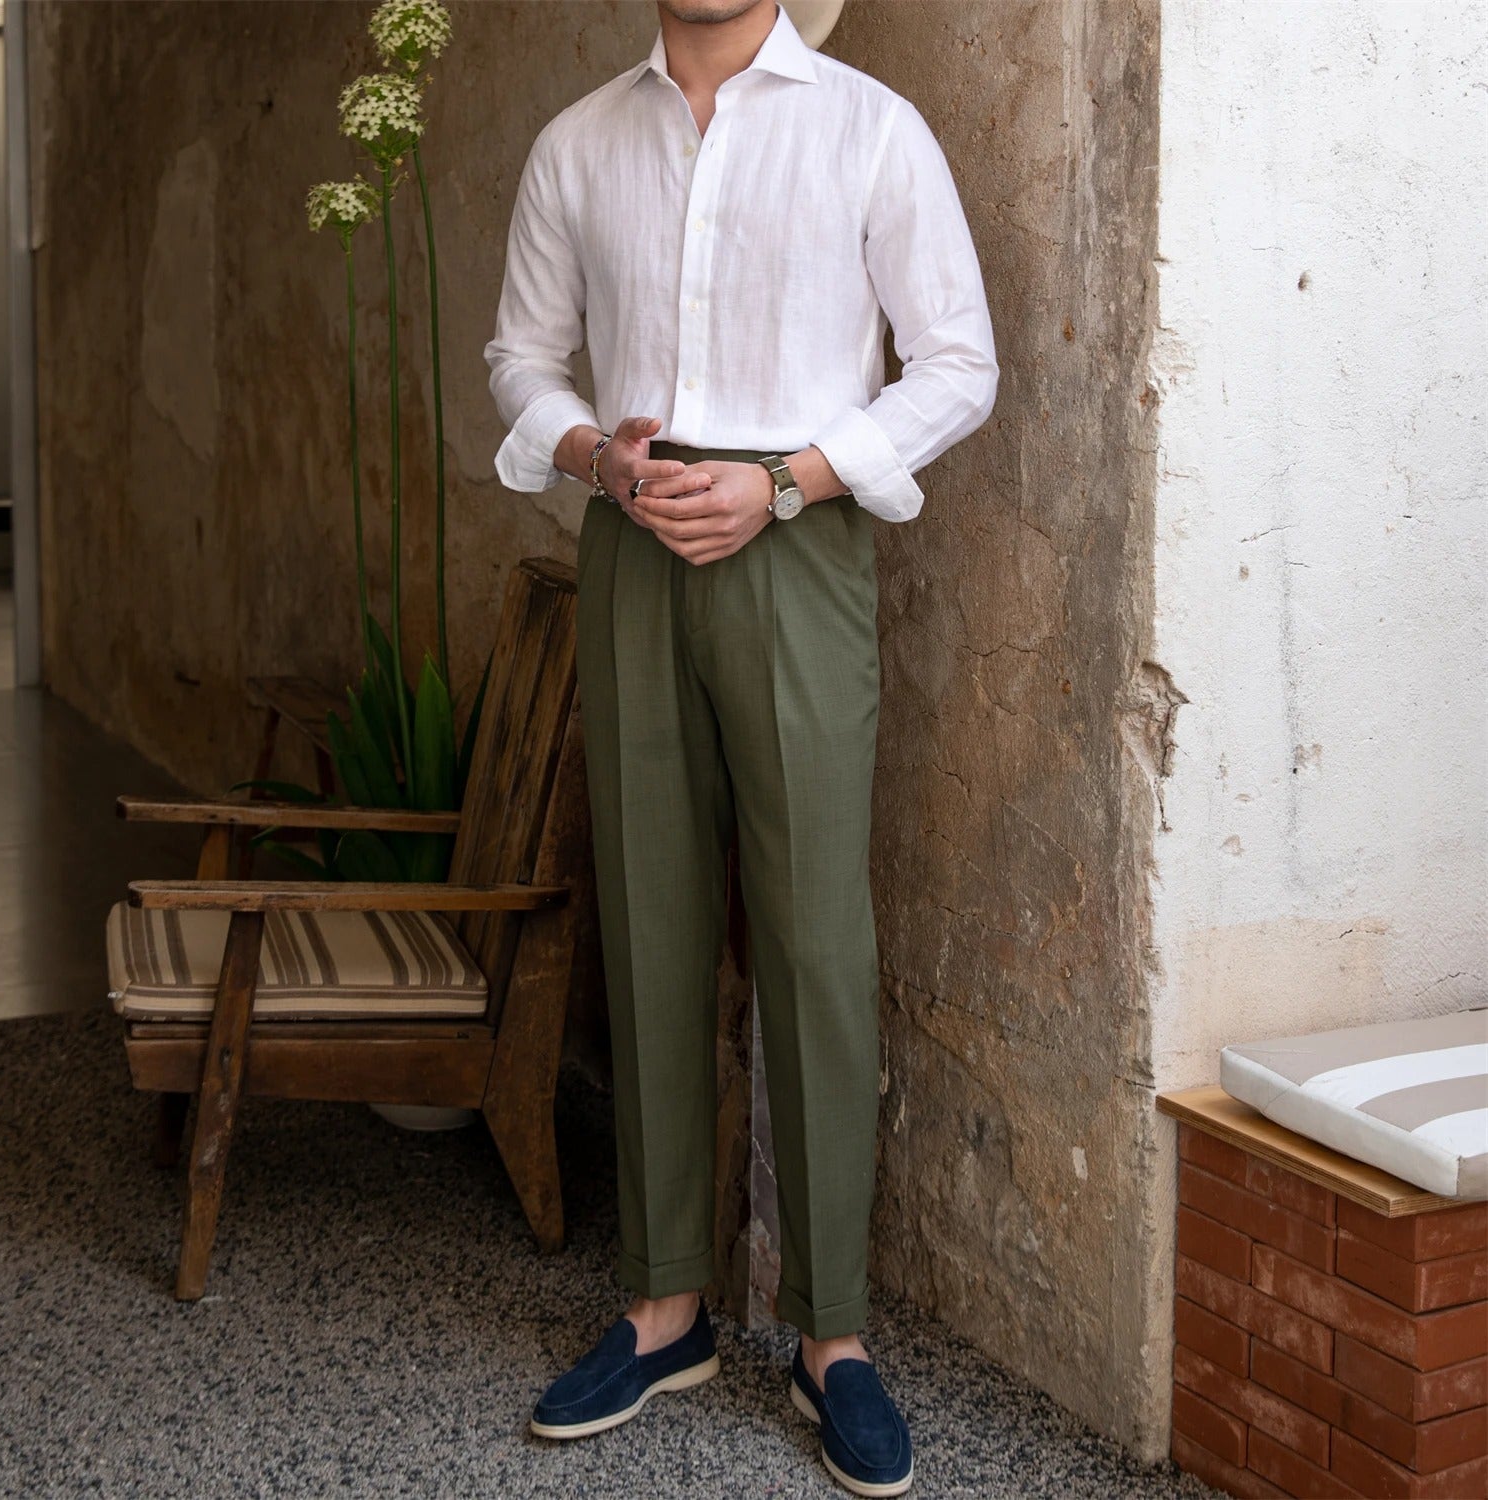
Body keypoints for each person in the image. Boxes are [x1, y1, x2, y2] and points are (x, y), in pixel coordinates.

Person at [483, 1, 997, 1492]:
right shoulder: (579, 142)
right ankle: (665, 1309)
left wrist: (790, 480)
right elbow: (521, 357)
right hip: (633, 537)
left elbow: (958, 364)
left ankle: (832, 1335)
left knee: (815, 936)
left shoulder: (868, 127)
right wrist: (593, 452)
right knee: (645, 914)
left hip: (802, 544)